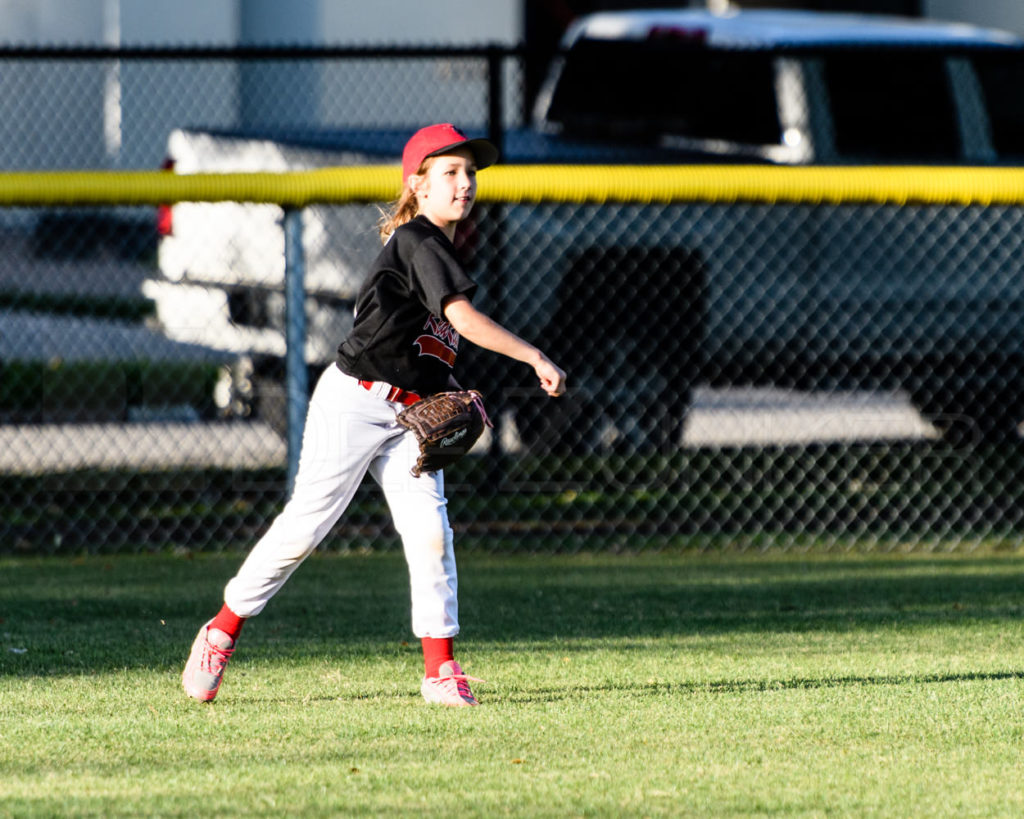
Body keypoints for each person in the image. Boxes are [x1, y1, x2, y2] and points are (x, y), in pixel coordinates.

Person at [182, 123, 567, 707]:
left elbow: (423, 346)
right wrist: (533, 355)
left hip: (409, 418)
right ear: (418, 186)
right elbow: (460, 319)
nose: (465, 184)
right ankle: (220, 631)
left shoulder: (440, 247)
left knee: (431, 534)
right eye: (450, 173)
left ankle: (440, 671)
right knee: (305, 526)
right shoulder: (419, 241)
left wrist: (453, 388)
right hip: (355, 403)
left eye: (470, 173)